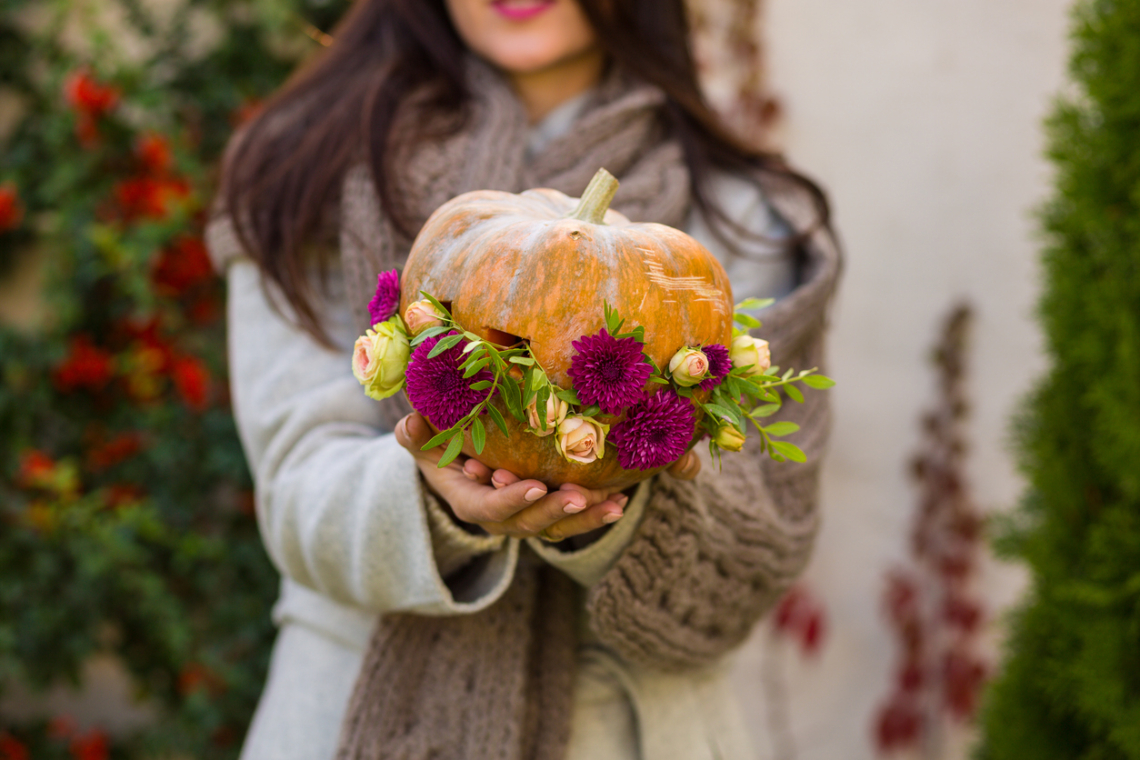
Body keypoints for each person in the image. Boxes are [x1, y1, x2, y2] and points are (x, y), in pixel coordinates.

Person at [207, 0, 841, 758]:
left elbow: (748, 569)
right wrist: (436, 494)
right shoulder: (304, 166)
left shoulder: (746, 216)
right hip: (342, 715)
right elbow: (296, 488)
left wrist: (618, 493)